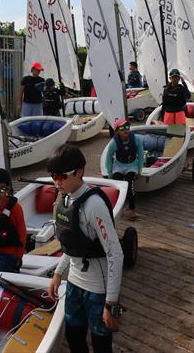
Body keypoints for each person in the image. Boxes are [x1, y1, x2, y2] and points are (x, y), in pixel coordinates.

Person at [48, 145, 123, 353]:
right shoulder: (65, 197)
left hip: (97, 290)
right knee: (73, 336)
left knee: (100, 343)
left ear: (79, 172)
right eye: (53, 176)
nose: (57, 182)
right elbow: (72, 244)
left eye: (62, 176)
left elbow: (115, 253)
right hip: (73, 283)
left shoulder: (94, 205)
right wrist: (57, 273)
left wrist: (110, 303)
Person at [102, 118, 143, 221]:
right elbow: (108, 158)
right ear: (117, 131)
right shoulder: (113, 143)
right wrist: (110, 173)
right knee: (117, 186)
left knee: (130, 184)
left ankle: (132, 208)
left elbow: (141, 156)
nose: (125, 130)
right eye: (122, 128)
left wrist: (139, 170)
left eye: (127, 127)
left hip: (132, 165)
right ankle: (116, 208)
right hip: (118, 166)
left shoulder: (137, 139)